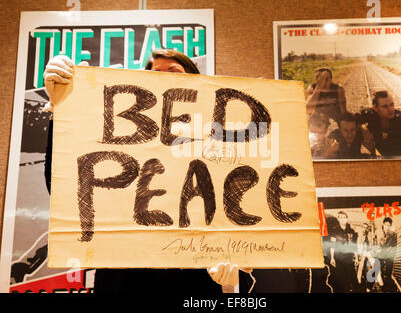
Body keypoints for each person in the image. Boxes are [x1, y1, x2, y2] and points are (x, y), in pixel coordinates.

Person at [43, 49, 250, 293]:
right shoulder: (115, 138)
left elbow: (237, 208)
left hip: (192, 280)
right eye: (155, 73)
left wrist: (234, 261)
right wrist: (63, 107)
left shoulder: (221, 144)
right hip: (124, 279)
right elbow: (63, 186)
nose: (164, 79)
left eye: (175, 72)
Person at [356, 90, 401, 157]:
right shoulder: (370, 115)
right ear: (375, 108)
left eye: (391, 104)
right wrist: (364, 131)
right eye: (385, 106)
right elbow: (354, 119)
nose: (390, 109)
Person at [328, 211, 358, 292]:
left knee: (352, 279)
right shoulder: (334, 231)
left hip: (349, 258)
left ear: (347, 219)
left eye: (344, 217)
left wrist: (356, 258)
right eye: (341, 217)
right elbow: (332, 245)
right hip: (339, 259)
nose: (343, 219)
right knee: (341, 280)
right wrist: (332, 258)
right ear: (338, 219)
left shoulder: (351, 231)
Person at [377, 217, 398, 292]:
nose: (387, 227)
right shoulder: (379, 233)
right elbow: (379, 245)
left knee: (388, 273)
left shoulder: (393, 234)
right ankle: (383, 289)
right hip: (380, 257)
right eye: (385, 225)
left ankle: (388, 288)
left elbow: (394, 247)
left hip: (389, 257)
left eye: (389, 225)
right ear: (383, 225)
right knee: (382, 273)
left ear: (390, 226)